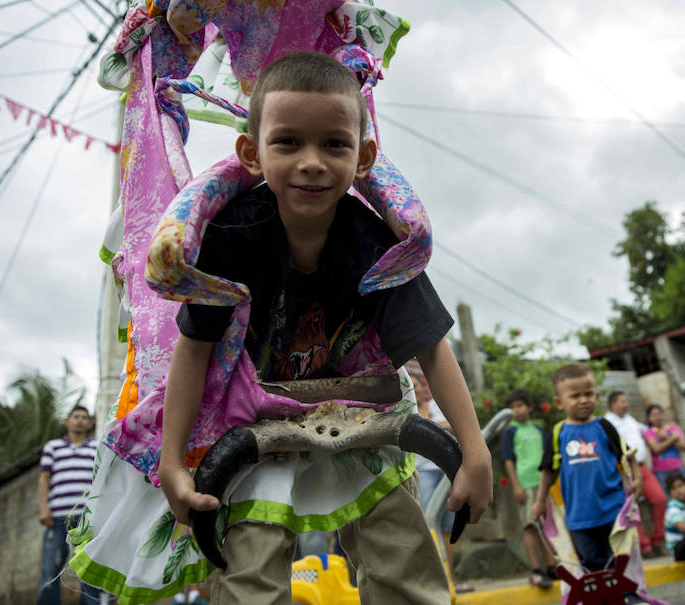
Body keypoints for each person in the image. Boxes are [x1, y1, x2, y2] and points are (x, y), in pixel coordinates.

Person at [158, 52, 492, 604]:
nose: (311, 162)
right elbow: (194, 352)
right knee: (249, 575)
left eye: (334, 144)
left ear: (363, 158)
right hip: (255, 417)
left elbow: (431, 351)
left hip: (363, 411)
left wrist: (474, 452)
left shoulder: (379, 247)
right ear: (251, 153)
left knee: (403, 561)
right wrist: (173, 462)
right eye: (288, 142)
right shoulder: (230, 240)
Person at [532, 364, 642, 573]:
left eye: (589, 394)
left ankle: (630, 597)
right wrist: (539, 502)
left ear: (597, 395)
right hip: (579, 517)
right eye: (575, 396)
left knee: (621, 562)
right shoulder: (559, 433)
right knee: (593, 566)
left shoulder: (604, 427)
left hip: (614, 510)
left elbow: (627, 455)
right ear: (559, 402)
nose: (583, 400)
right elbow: (547, 471)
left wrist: (638, 478)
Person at [406, 360, 473, 594]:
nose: (415, 389)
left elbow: (455, 424)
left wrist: (427, 426)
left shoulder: (435, 406)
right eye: (410, 386)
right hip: (421, 473)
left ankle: (449, 581)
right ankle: (430, 583)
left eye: (417, 386)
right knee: (427, 524)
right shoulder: (406, 411)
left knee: (445, 527)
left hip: (444, 472)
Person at [36, 405, 102, 605]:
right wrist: (43, 508)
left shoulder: (96, 447)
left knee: (89, 571)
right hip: (57, 517)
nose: (80, 420)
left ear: (90, 424)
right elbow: (44, 479)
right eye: (76, 416)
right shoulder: (53, 447)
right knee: (51, 569)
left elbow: (101, 479)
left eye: (84, 417)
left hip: (87, 518)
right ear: (67, 422)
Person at [499, 388, 556, 588]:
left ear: (529, 407)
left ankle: (551, 566)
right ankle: (536, 570)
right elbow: (508, 461)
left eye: (520, 405)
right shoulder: (511, 431)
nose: (517, 410)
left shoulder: (538, 429)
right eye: (513, 407)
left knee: (546, 527)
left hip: (543, 485)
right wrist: (516, 486)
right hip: (525, 484)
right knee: (530, 526)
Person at [605, 391, 668, 557]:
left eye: (626, 401)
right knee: (631, 506)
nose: (626, 404)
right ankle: (644, 545)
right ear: (613, 404)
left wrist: (665, 430)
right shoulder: (607, 423)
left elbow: (649, 431)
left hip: (641, 467)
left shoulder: (630, 420)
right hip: (622, 471)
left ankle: (658, 540)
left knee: (660, 498)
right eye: (622, 401)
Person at [642, 404, 685, 491]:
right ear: (649, 418)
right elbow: (657, 449)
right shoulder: (649, 432)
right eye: (654, 415)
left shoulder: (673, 427)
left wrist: (666, 437)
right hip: (661, 471)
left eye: (659, 414)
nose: (657, 417)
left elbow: (684, 447)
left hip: (679, 468)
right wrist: (673, 438)